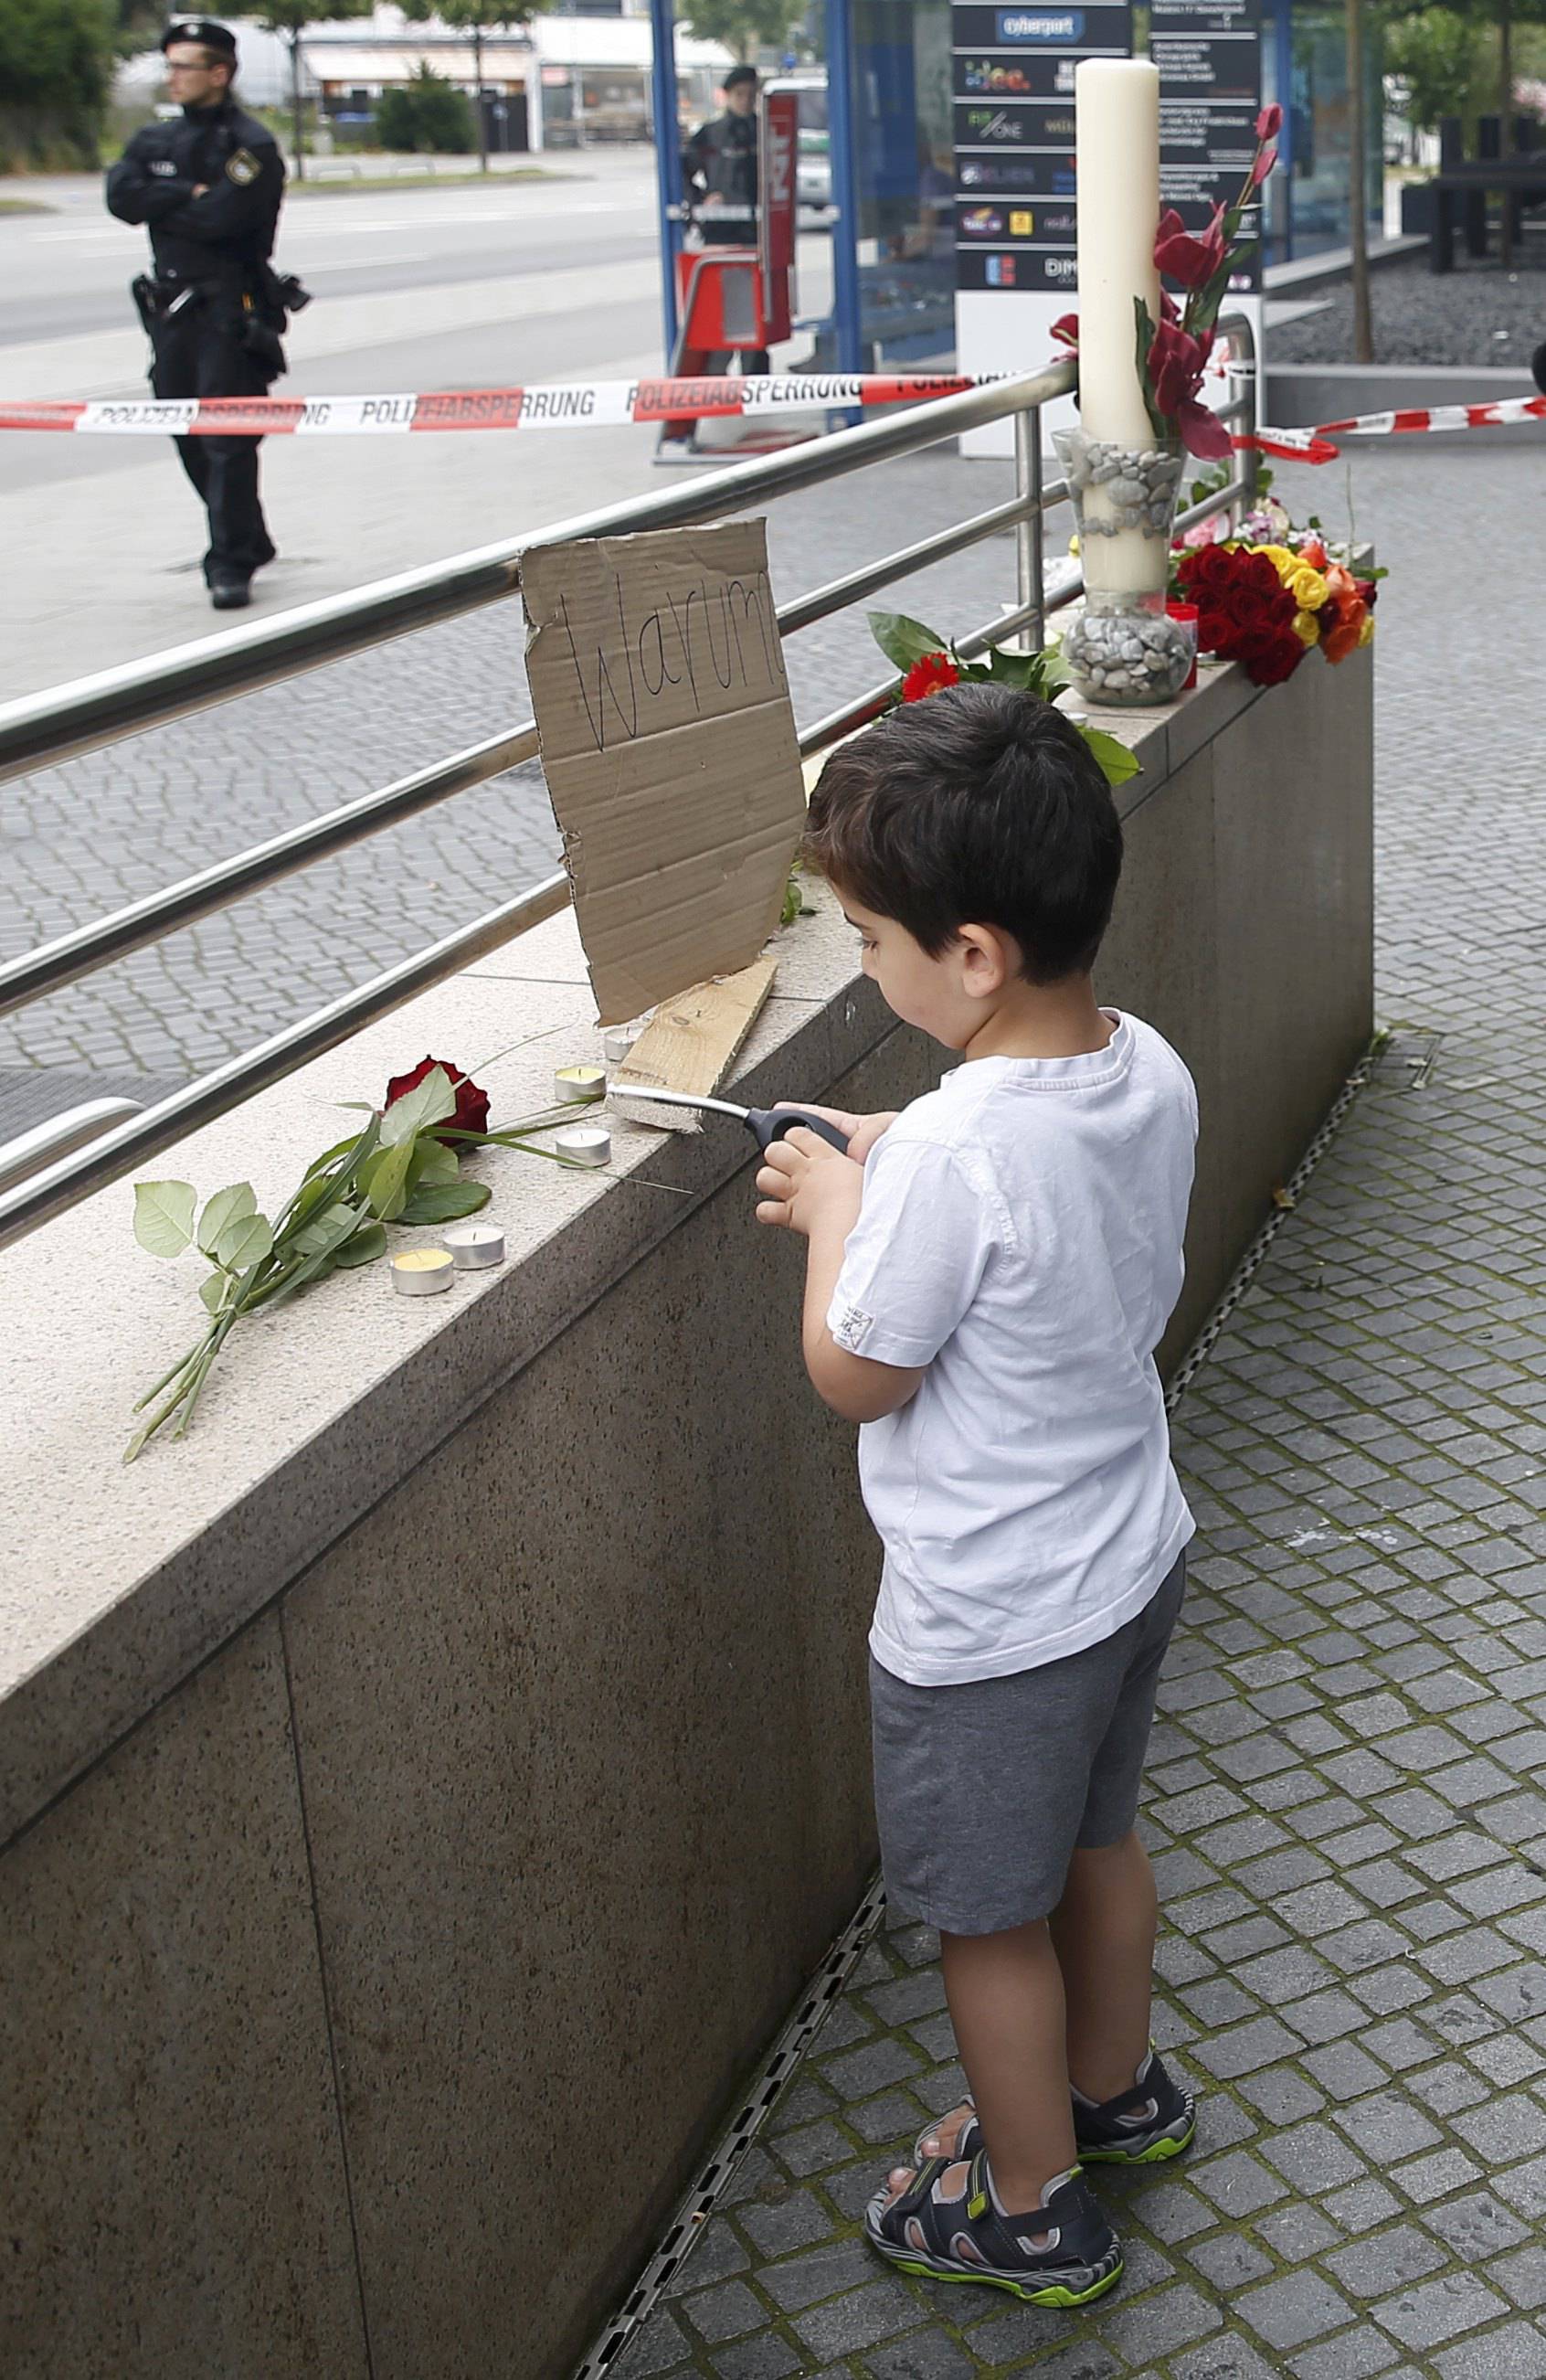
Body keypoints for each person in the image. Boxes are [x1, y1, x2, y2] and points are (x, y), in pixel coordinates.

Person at [755, 684, 1199, 2306]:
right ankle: (1118, 2089)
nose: (864, 967)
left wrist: (830, 1212)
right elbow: (1026, 1192)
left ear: (972, 955)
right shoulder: (1140, 1063)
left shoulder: (945, 1157)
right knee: (1098, 1840)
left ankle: (1029, 2203)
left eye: (870, 938)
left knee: (981, 1919)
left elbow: (857, 1368)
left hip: (992, 1619)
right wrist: (899, 1155)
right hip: (1129, 1557)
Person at [106, 20, 287, 611]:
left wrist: (166, 205)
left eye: (185, 66)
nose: (173, 77)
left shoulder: (250, 146)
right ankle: (250, 538)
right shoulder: (155, 139)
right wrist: (188, 194)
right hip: (171, 315)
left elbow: (225, 222)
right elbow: (120, 197)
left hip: (228, 312)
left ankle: (230, 562)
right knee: (184, 429)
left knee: (227, 440)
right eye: (171, 66)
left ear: (219, 72)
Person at [681, 65, 768, 374]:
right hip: (721, 233)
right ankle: (717, 374)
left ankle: (755, 378)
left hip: (756, 232)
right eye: (739, 94)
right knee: (722, 310)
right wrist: (701, 200)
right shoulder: (712, 133)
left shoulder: (765, 131)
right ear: (728, 96)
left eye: (750, 94)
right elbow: (683, 169)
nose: (745, 101)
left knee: (757, 315)